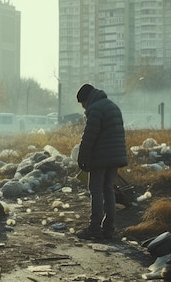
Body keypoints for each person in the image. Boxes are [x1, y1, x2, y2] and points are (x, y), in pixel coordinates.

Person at [75, 83, 127, 241]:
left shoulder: (95, 109)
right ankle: (109, 229)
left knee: (96, 190)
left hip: (101, 157)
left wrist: (82, 157)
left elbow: (89, 136)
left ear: (86, 99)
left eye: (82, 104)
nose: (83, 108)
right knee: (108, 189)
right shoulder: (112, 106)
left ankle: (94, 228)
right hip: (115, 156)